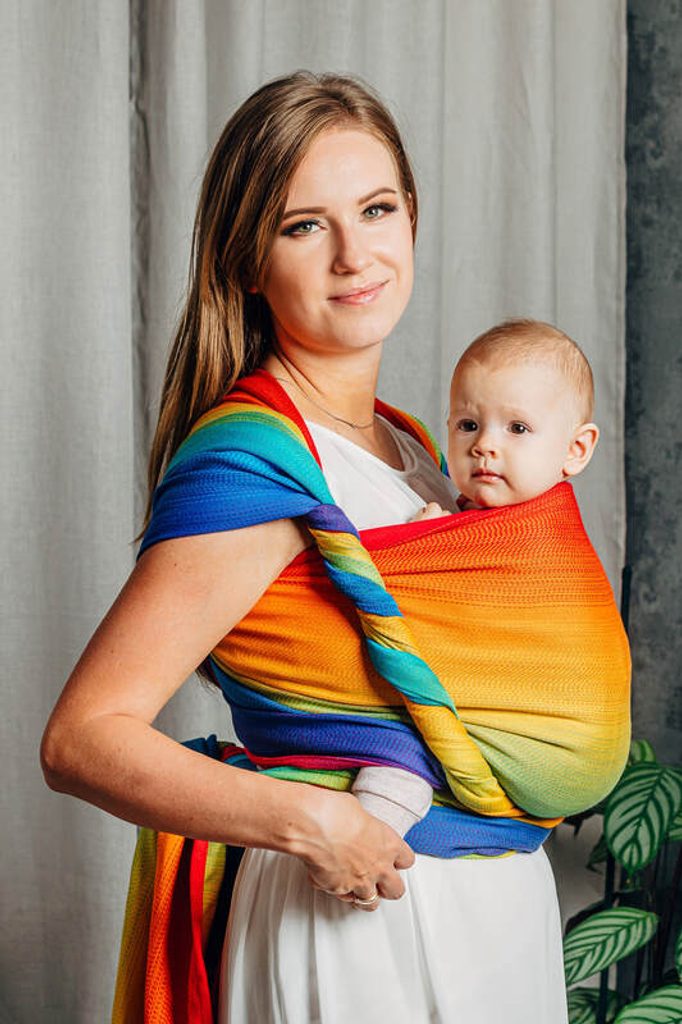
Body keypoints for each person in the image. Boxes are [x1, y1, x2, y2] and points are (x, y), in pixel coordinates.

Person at [40, 71, 590, 1024]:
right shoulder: (255, 458)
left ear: (411, 216)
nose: (353, 255)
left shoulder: (416, 447)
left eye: (376, 209)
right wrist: (314, 820)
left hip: (492, 925)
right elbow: (82, 738)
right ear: (249, 262)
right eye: (303, 226)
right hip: (358, 932)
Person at [353, 317, 601, 835]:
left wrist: (419, 550)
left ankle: (368, 838)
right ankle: (366, 841)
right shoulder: (453, 511)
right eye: (468, 424)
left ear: (575, 450)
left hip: (537, 726)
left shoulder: (543, 545)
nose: (485, 444)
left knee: (401, 752)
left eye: (517, 429)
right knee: (394, 737)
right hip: (474, 732)